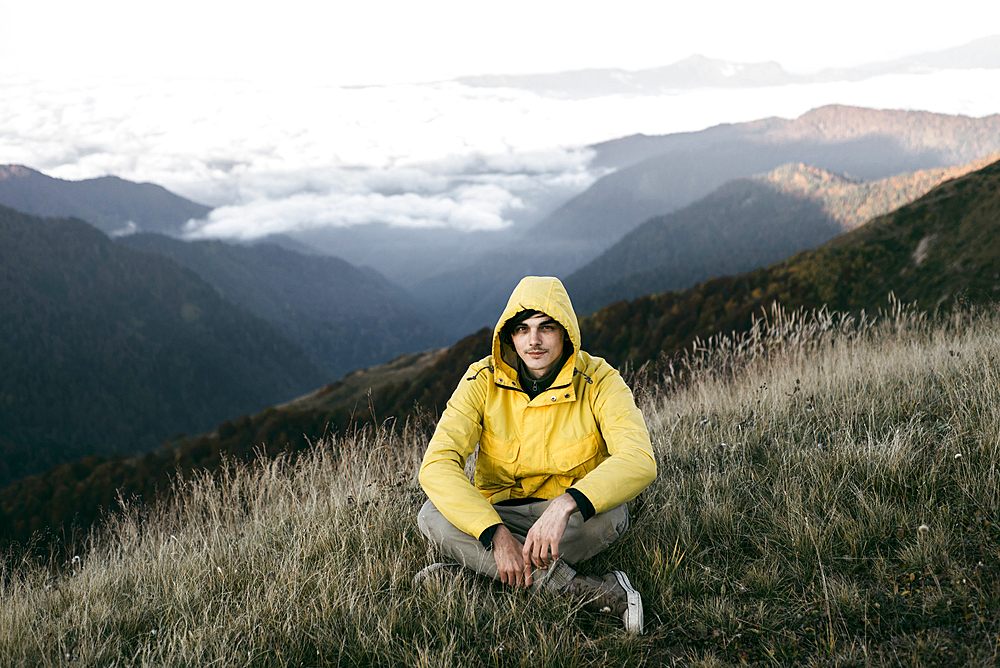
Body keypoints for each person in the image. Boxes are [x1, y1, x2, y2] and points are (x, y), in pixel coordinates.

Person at [416, 276, 657, 634]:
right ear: (509, 336)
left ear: (566, 333)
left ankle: (480, 572)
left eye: (546, 327)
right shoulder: (481, 380)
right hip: (501, 514)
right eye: (522, 329)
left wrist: (565, 504)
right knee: (431, 515)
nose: (534, 340)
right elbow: (436, 465)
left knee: (611, 517)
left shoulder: (600, 380)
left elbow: (639, 458)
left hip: (571, 521)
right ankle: (586, 590)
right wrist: (494, 533)